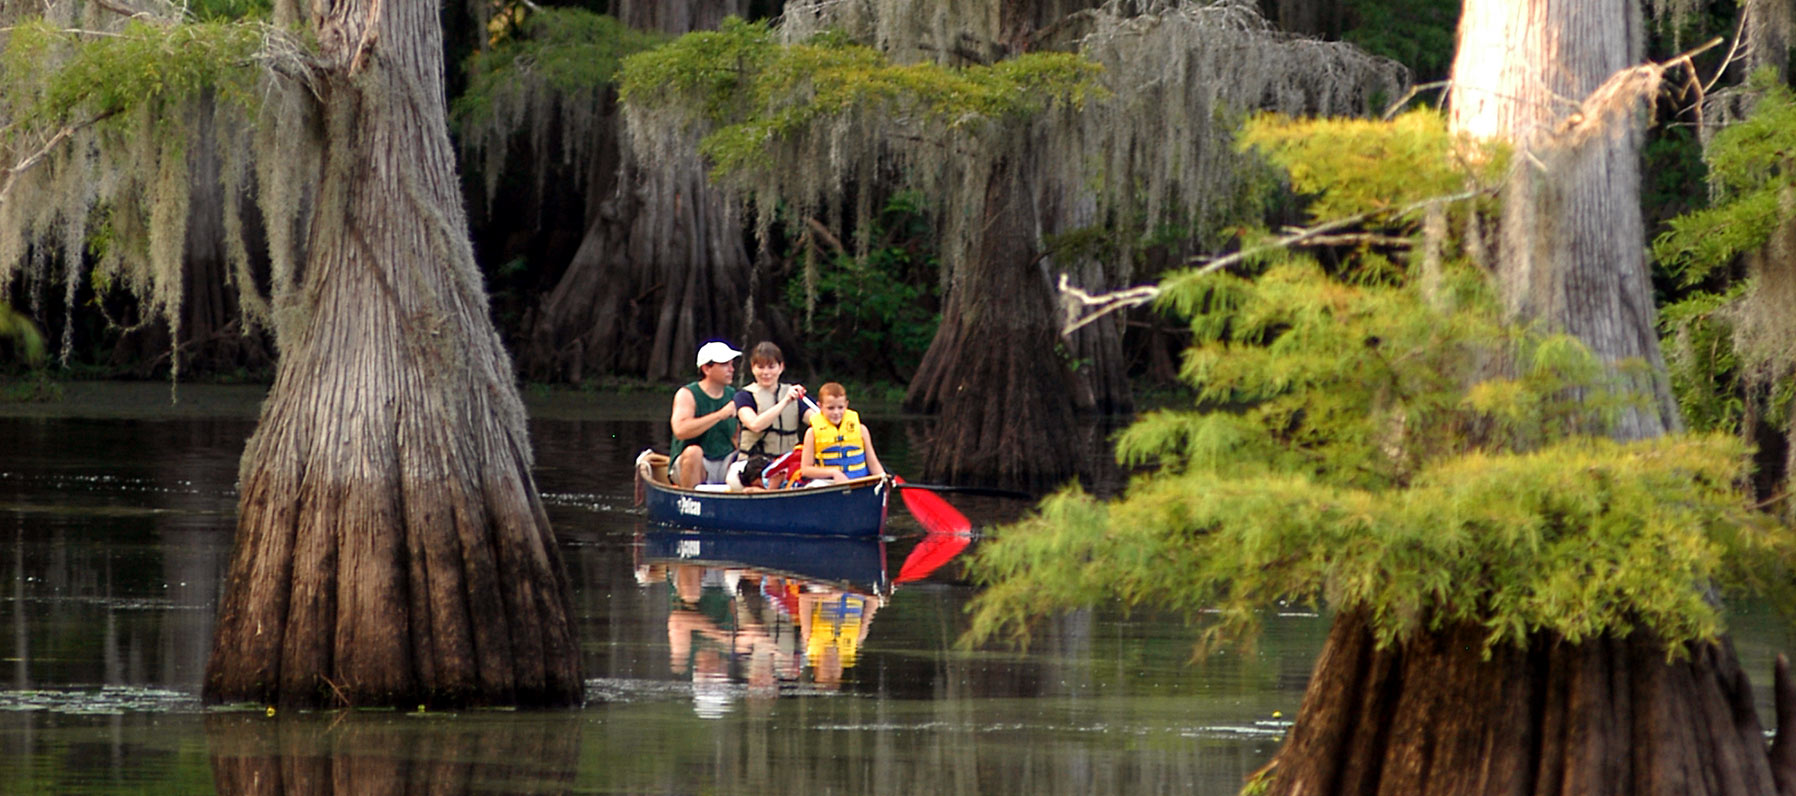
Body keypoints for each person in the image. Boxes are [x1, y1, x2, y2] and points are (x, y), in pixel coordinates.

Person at [669, 341, 741, 487]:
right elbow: (681, 430)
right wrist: (720, 415)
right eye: (725, 365)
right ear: (706, 369)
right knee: (693, 452)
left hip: (725, 461)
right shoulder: (687, 394)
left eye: (731, 364)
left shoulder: (733, 395)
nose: (731, 369)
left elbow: (736, 436)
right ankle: (692, 499)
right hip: (693, 464)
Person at [733, 341, 815, 457]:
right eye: (760, 367)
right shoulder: (744, 396)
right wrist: (785, 401)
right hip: (753, 464)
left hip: (787, 462)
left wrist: (827, 412)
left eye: (771, 367)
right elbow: (755, 425)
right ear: (752, 368)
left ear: (781, 367)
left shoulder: (794, 395)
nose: (766, 373)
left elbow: (816, 421)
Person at [797, 382, 885, 483]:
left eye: (840, 407)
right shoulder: (811, 433)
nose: (836, 412)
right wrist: (834, 473)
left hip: (859, 481)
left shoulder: (862, 430)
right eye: (830, 408)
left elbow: (873, 463)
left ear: (846, 405)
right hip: (828, 482)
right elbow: (806, 470)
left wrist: (883, 478)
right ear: (820, 406)